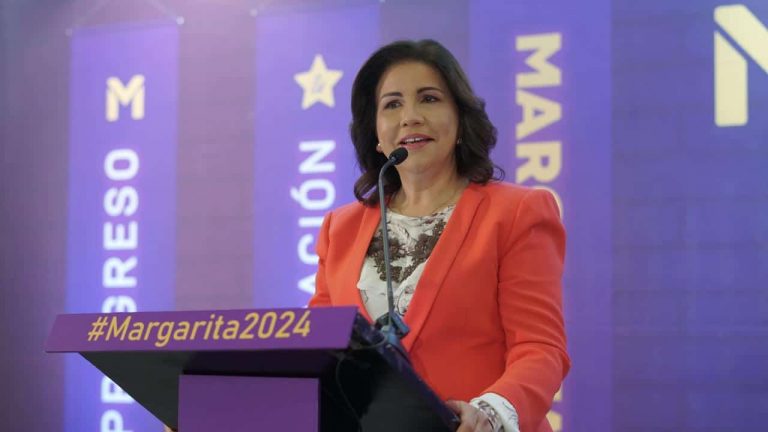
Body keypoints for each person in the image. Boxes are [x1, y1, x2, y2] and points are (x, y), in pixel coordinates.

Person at [309, 39, 569, 432]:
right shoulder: (339, 229)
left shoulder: (517, 212)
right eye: (392, 104)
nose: (410, 117)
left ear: (461, 120)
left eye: (429, 99)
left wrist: (490, 413)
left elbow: (540, 348)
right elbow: (319, 350)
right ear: (376, 133)